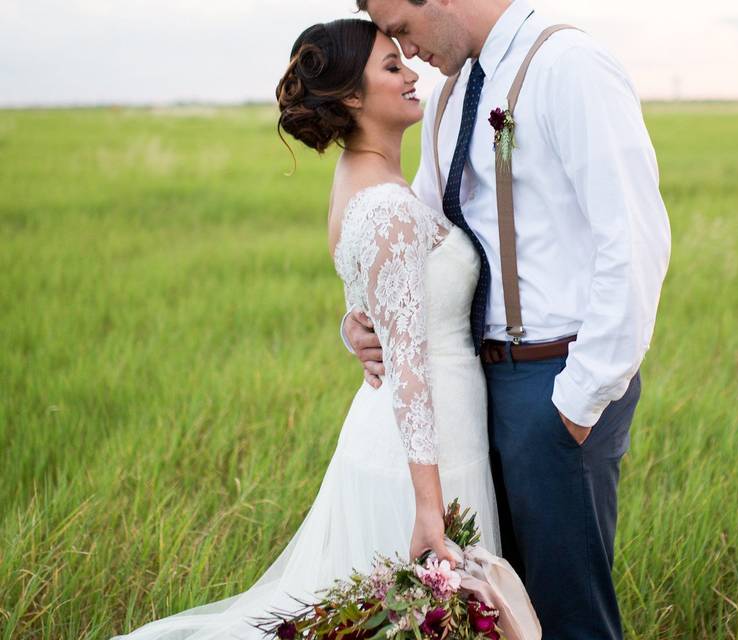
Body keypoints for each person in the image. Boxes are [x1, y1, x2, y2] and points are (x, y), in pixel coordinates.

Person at [110, 19, 514, 639]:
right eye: (390, 67)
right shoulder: (385, 207)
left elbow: (376, 303)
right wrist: (429, 510)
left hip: (419, 432)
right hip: (423, 452)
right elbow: (407, 367)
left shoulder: (362, 182)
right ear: (352, 97)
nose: (411, 73)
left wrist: (351, 326)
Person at [343, 1, 672, 638]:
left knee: (568, 614)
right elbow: (418, 237)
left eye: (404, 31)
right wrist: (359, 320)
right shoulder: (448, 98)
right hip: (474, 394)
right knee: (503, 616)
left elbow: (632, 241)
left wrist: (575, 404)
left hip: (556, 379)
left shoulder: (568, 66)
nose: (408, 55)